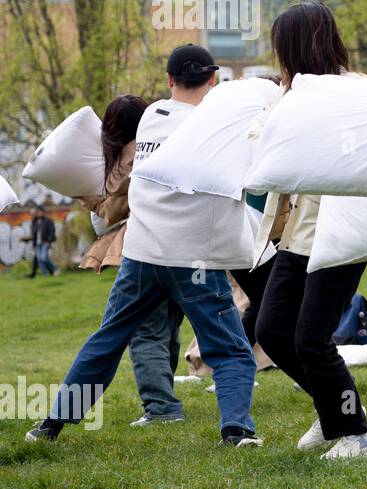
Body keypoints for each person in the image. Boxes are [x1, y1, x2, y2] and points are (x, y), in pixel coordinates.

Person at [25, 45, 261, 446]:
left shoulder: (151, 117)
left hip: (141, 254)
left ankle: (49, 425)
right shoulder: (219, 124)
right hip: (193, 260)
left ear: (169, 80)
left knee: (107, 339)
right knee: (231, 350)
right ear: (213, 79)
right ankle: (236, 431)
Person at [251, 2, 367, 460]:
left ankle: (358, 435)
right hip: (297, 233)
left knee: (311, 337)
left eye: (281, 46)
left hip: (341, 233)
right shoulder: (289, 97)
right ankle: (335, 412)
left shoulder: (357, 90)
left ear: (295, 46)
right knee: (273, 330)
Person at [79, 94, 187, 427]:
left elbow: (111, 212)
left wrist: (88, 197)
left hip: (144, 251)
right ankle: (164, 395)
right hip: (183, 245)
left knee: (145, 330)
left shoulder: (126, 158)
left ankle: (161, 407)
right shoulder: (168, 141)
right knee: (168, 326)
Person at [25, 205, 58, 277]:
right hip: (37, 243)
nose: (38, 213)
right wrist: (33, 244)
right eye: (37, 212)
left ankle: (55, 269)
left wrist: (49, 242)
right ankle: (45, 274)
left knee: (44, 258)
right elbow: (33, 234)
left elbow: (52, 231)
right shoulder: (34, 222)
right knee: (39, 260)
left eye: (40, 212)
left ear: (43, 212)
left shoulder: (48, 220)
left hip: (45, 242)